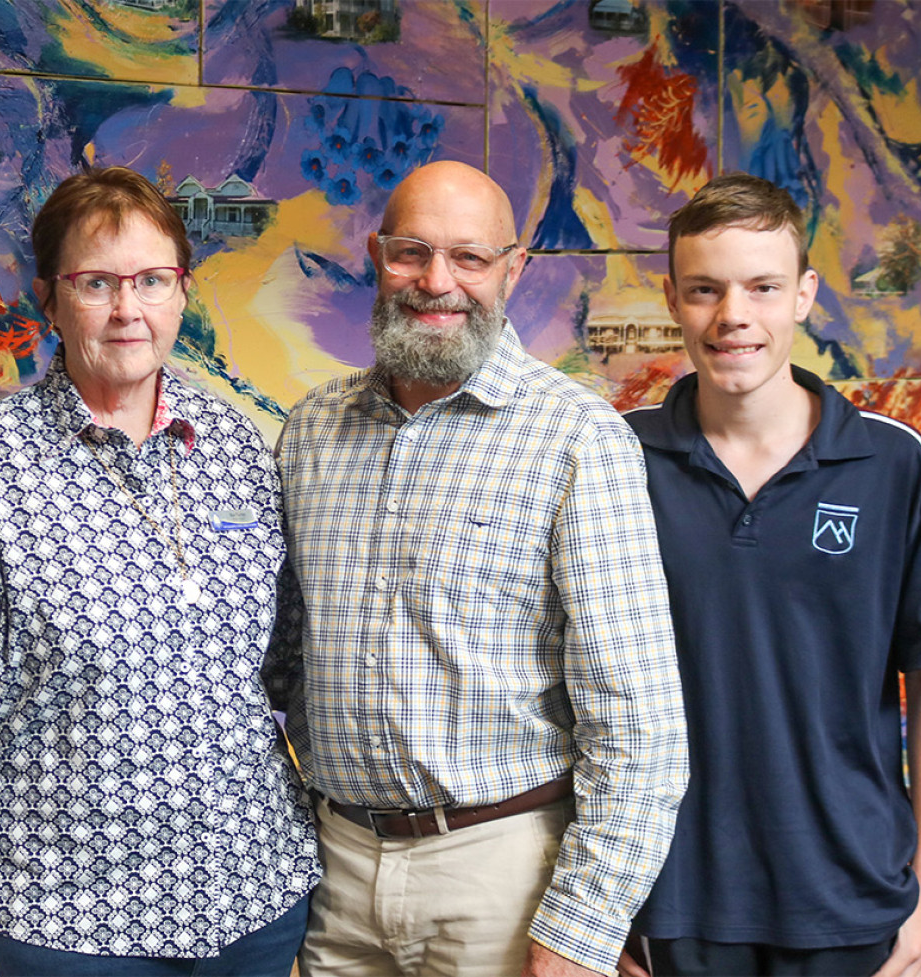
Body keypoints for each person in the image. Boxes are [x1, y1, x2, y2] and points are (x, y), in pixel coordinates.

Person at [0, 165, 320, 977]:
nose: (129, 309)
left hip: (253, 903)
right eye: (97, 282)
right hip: (66, 923)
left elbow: (285, 664)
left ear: (181, 294)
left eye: (152, 280)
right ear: (50, 301)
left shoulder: (235, 447)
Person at [269, 159, 689, 977]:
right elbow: (280, 666)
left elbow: (638, 722)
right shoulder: (312, 429)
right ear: (374, 253)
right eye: (411, 252)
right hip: (337, 868)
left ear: (514, 268)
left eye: (470, 257)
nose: (437, 282)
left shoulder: (578, 439)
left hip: (503, 879)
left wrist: (581, 927)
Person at [618, 173, 921, 977]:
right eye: (705, 289)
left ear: (803, 294)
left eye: (762, 287)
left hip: (853, 892)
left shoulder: (895, 461)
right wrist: (600, 898)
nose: (734, 316)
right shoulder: (616, 456)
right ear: (672, 297)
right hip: (672, 896)